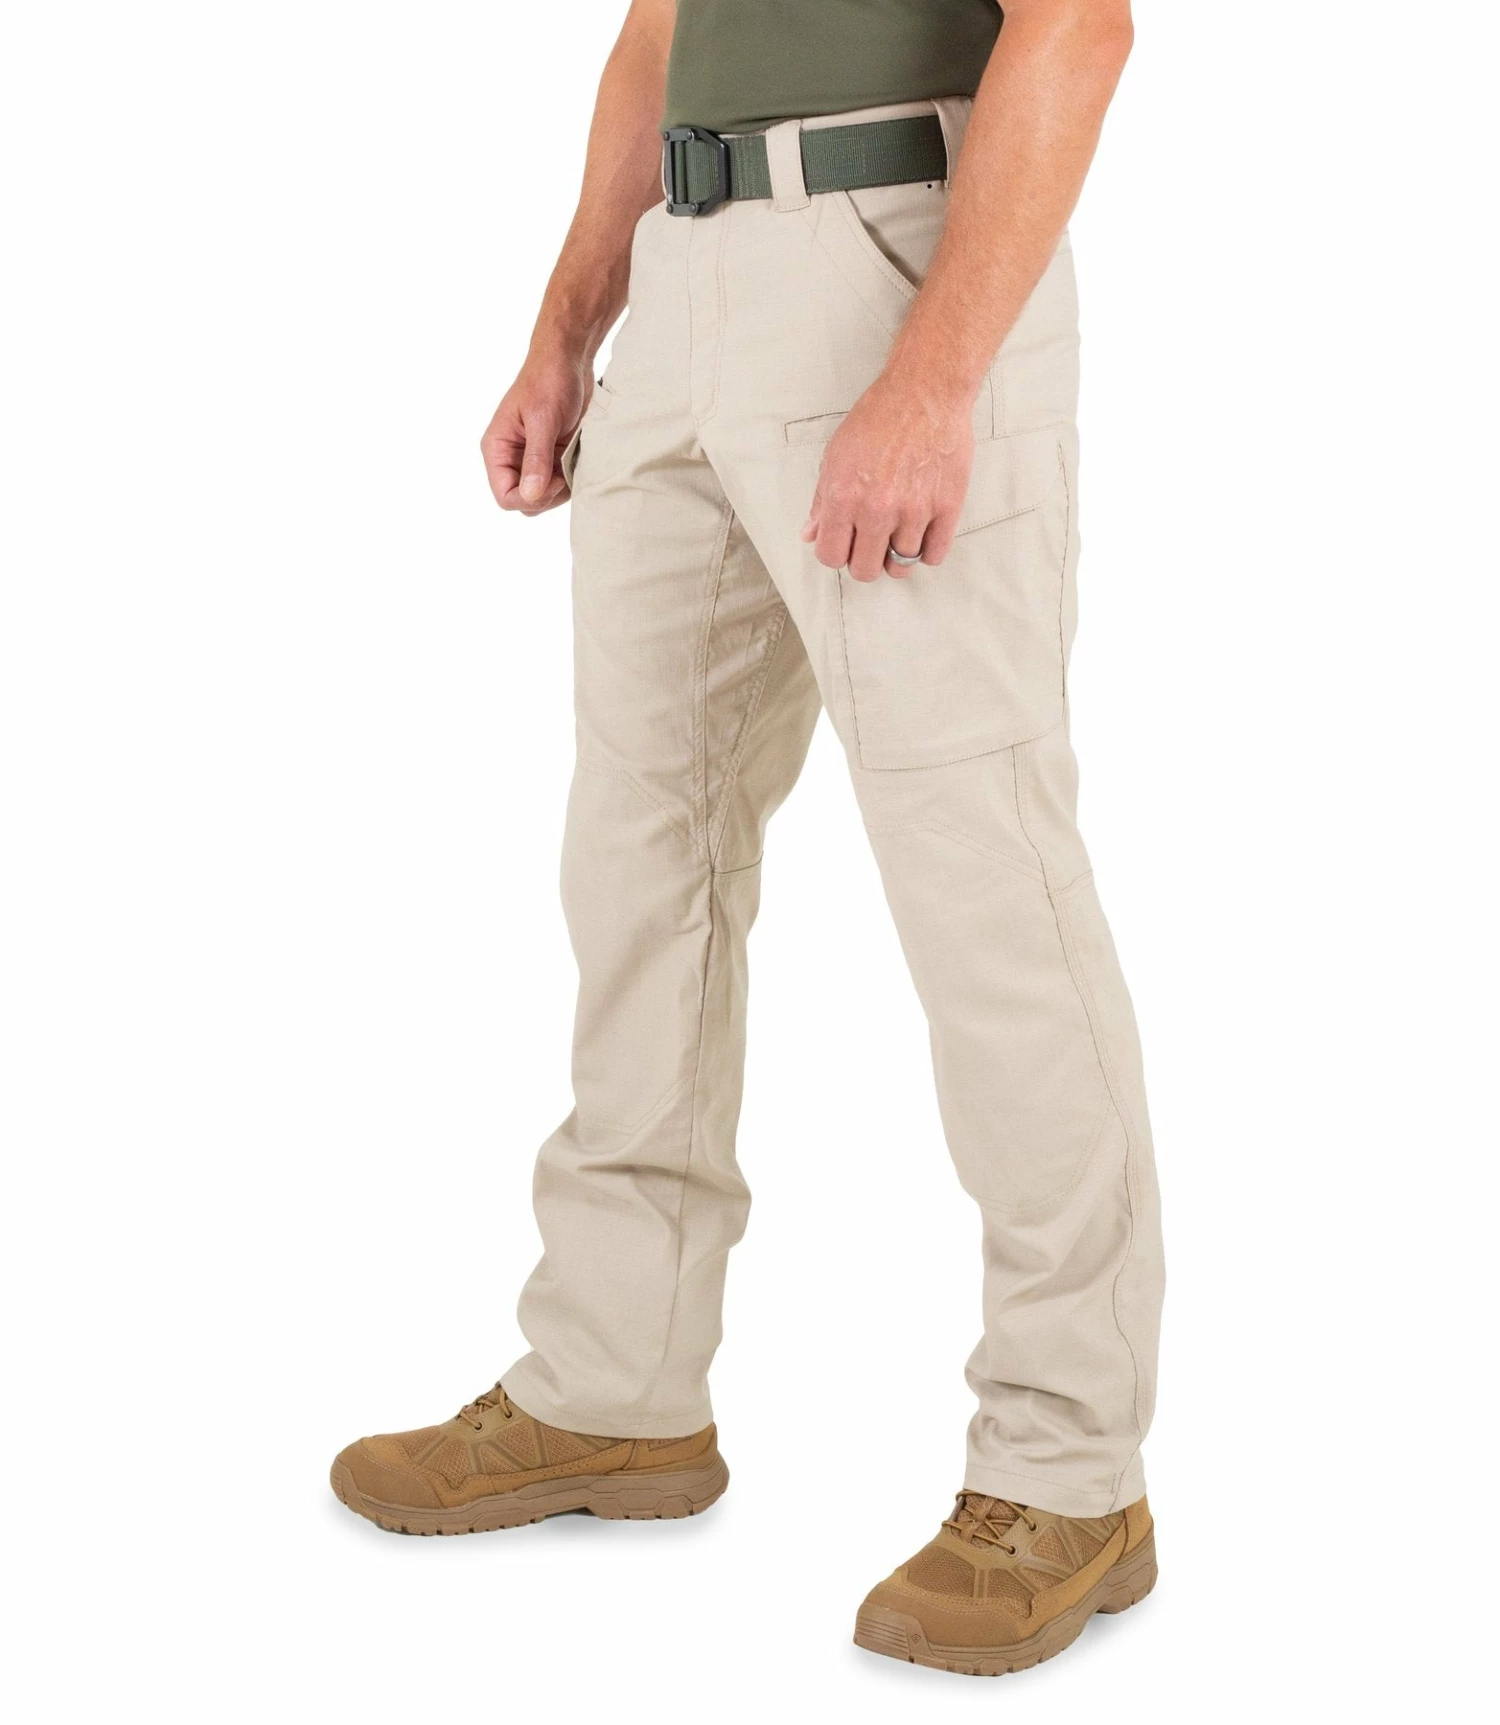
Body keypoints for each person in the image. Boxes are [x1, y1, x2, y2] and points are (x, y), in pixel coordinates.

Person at [331, 0, 1163, 1677]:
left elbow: (1079, 26)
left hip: (898, 261)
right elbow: (660, 29)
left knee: (983, 878)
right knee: (640, 866)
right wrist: (569, 328)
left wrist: (933, 377)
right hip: (686, 273)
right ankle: (614, 1381)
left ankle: (1068, 1471)